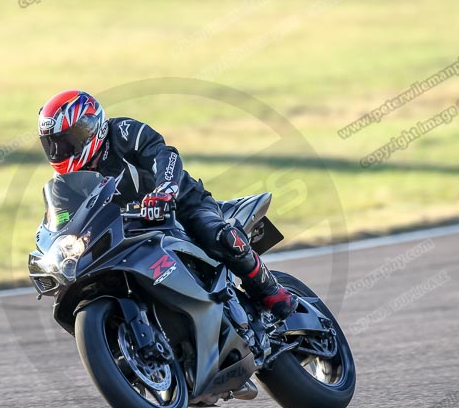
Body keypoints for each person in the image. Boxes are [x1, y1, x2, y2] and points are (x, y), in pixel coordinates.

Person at [37, 90, 297, 320]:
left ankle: (270, 291)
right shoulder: (63, 186)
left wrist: (165, 191)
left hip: (181, 206)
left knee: (214, 234)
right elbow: (62, 223)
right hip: (127, 234)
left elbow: (164, 154)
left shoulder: (123, 132)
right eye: (53, 144)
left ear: (88, 127)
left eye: (66, 140)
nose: (60, 150)